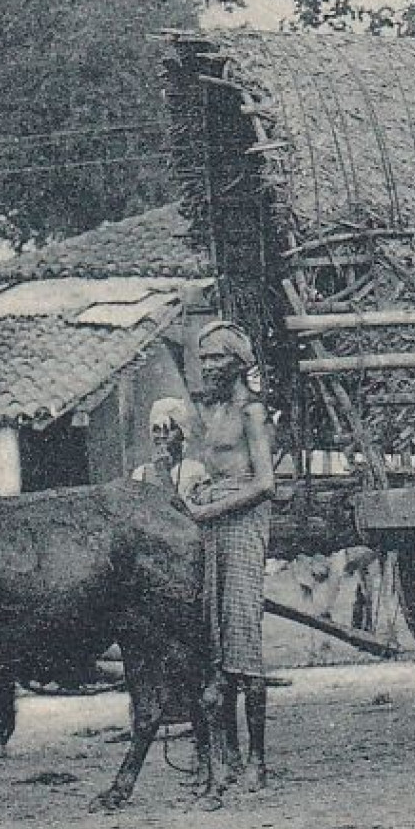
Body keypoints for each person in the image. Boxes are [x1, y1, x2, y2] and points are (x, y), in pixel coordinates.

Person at [187, 320, 276, 794]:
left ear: (238, 362)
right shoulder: (211, 411)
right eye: (203, 359)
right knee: (211, 636)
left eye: (217, 358)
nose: (209, 367)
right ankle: (228, 755)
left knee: (241, 631)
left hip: (242, 522)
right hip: (210, 520)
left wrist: (208, 510)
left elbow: (265, 484)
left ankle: (258, 759)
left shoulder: (252, 412)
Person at [131, 397, 210, 500]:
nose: (162, 435)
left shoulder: (195, 471)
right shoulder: (140, 473)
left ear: (182, 433)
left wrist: (164, 474)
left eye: (170, 429)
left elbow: (186, 513)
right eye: (157, 429)